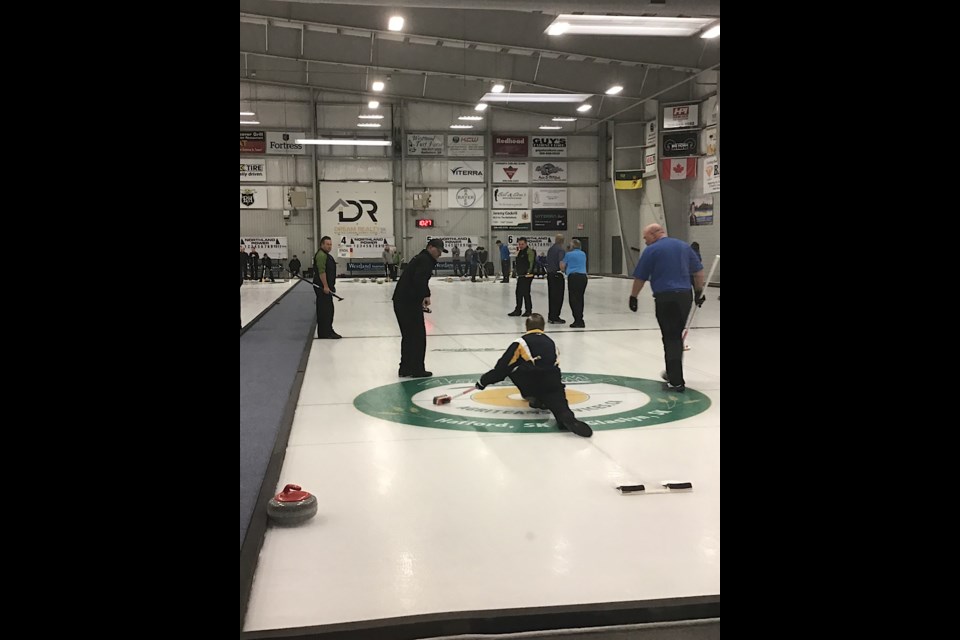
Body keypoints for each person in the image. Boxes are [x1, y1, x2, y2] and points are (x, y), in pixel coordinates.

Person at [476, 313, 592, 438]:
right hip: (551, 382)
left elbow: (501, 368)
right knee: (560, 406)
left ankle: (535, 397)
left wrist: (483, 382)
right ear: (543, 327)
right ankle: (567, 419)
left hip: (531, 382)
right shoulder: (551, 343)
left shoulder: (520, 342)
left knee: (513, 368)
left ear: (526, 326)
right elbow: (555, 364)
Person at [628, 224, 704, 392]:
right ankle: (673, 373)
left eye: (645, 236)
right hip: (685, 297)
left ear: (654, 234)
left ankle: (676, 380)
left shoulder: (651, 250)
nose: (644, 240)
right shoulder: (684, 246)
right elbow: (698, 272)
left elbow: (640, 277)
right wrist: (699, 292)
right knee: (676, 336)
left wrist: (633, 296)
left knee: (670, 337)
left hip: (665, 297)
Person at [393, 238, 447, 377]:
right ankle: (417, 369)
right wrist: (426, 295)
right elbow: (419, 279)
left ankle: (405, 368)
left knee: (409, 336)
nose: (440, 253)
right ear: (430, 247)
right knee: (417, 337)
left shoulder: (421, 258)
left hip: (402, 301)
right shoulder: (425, 260)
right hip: (407, 302)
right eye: (438, 250)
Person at [312, 236, 341, 339]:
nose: (329, 246)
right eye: (327, 244)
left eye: (330, 244)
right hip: (322, 287)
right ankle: (325, 332)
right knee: (326, 310)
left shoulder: (327, 255)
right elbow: (322, 271)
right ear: (322, 245)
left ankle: (327, 330)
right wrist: (325, 286)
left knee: (328, 309)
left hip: (327, 287)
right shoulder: (321, 255)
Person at [562, 239, 588, 328]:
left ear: (572, 246)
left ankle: (577, 320)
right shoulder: (583, 254)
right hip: (583, 277)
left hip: (573, 277)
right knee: (580, 298)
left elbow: (562, 266)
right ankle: (580, 318)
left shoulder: (568, 254)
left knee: (573, 299)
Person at [508, 238, 536, 317]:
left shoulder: (529, 251)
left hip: (527, 276)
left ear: (526, 244)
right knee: (518, 292)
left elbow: (531, 263)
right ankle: (518, 310)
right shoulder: (520, 252)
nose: (520, 246)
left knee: (526, 293)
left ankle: (528, 310)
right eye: (519, 244)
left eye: (522, 244)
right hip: (520, 275)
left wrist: (528, 272)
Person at [546, 234, 566, 324]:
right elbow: (561, 263)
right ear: (562, 241)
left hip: (550, 275)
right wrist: (564, 271)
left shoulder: (551, 249)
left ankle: (551, 316)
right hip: (557, 275)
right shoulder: (560, 250)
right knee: (558, 297)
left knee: (552, 296)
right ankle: (555, 317)